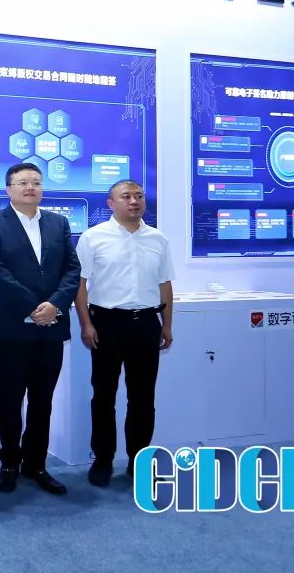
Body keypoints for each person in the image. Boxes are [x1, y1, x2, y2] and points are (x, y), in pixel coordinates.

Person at [0, 162, 80, 496]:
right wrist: (34, 308)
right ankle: (9, 463)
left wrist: (55, 305)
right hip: (11, 328)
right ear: (8, 189)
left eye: (36, 182)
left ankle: (36, 464)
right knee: (10, 399)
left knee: (42, 400)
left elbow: (72, 269)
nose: (30, 187)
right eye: (22, 182)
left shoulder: (58, 222)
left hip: (51, 327)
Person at [74, 179, 174, 487]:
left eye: (139, 196)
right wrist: (86, 324)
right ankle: (102, 459)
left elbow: (165, 284)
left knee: (143, 397)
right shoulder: (93, 237)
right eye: (126, 196)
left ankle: (138, 461)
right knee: (104, 396)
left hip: (146, 323)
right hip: (106, 323)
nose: (134, 201)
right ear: (111, 203)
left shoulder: (158, 239)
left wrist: (167, 325)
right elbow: (80, 285)